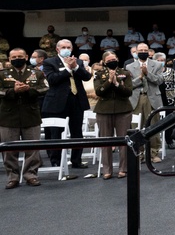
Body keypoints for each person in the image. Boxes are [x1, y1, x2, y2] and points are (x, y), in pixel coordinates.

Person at [1, 48, 50, 188]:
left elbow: (45, 89)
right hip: (8, 117)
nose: (17, 58)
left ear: (26, 57)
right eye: (14, 57)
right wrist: (12, 91)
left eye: (20, 56)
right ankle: (13, 178)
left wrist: (29, 89)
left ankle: (31, 175)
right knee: (9, 150)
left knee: (33, 149)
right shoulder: (3, 74)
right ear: (9, 59)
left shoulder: (37, 73)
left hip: (31, 115)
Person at [41, 39, 92, 170]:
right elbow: (52, 79)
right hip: (57, 101)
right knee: (56, 132)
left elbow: (86, 77)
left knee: (77, 132)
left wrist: (75, 66)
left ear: (72, 48)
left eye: (68, 47)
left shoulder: (79, 62)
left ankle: (76, 160)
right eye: (63, 47)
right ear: (58, 49)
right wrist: (68, 69)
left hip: (76, 100)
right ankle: (56, 160)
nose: (66, 49)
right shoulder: (49, 62)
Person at [93, 50, 134, 179]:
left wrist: (116, 83)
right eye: (109, 61)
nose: (112, 62)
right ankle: (107, 170)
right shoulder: (99, 74)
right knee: (106, 142)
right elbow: (99, 91)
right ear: (104, 62)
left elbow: (128, 92)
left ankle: (123, 168)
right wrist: (109, 82)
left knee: (124, 140)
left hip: (123, 110)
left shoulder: (125, 73)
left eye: (113, 59)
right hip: (104, 111)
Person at [126, 43, 164, 163]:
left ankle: (154, 153)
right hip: (136, 98)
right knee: (136, 127)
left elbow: (159, 80)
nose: (143, 51)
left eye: (145, 50)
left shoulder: (157, 64)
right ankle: (140, 152)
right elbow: (129, 85)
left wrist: (148, 74)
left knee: (154, 125)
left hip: (152, 98)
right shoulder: (129, 66)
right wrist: (141, 77)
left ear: (149, 52)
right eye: (140, 50)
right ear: (136, 52)